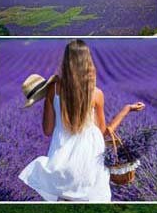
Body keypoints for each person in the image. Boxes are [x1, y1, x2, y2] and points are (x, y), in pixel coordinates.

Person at [18, 39, 145, 203]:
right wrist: (126, 109)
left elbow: (48, 130)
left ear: (66, 62)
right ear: (88, 62)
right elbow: (104, 132)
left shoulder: (53, 89)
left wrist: (50, 102)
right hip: (91, 167)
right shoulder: (96, 94)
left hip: (61, 164)